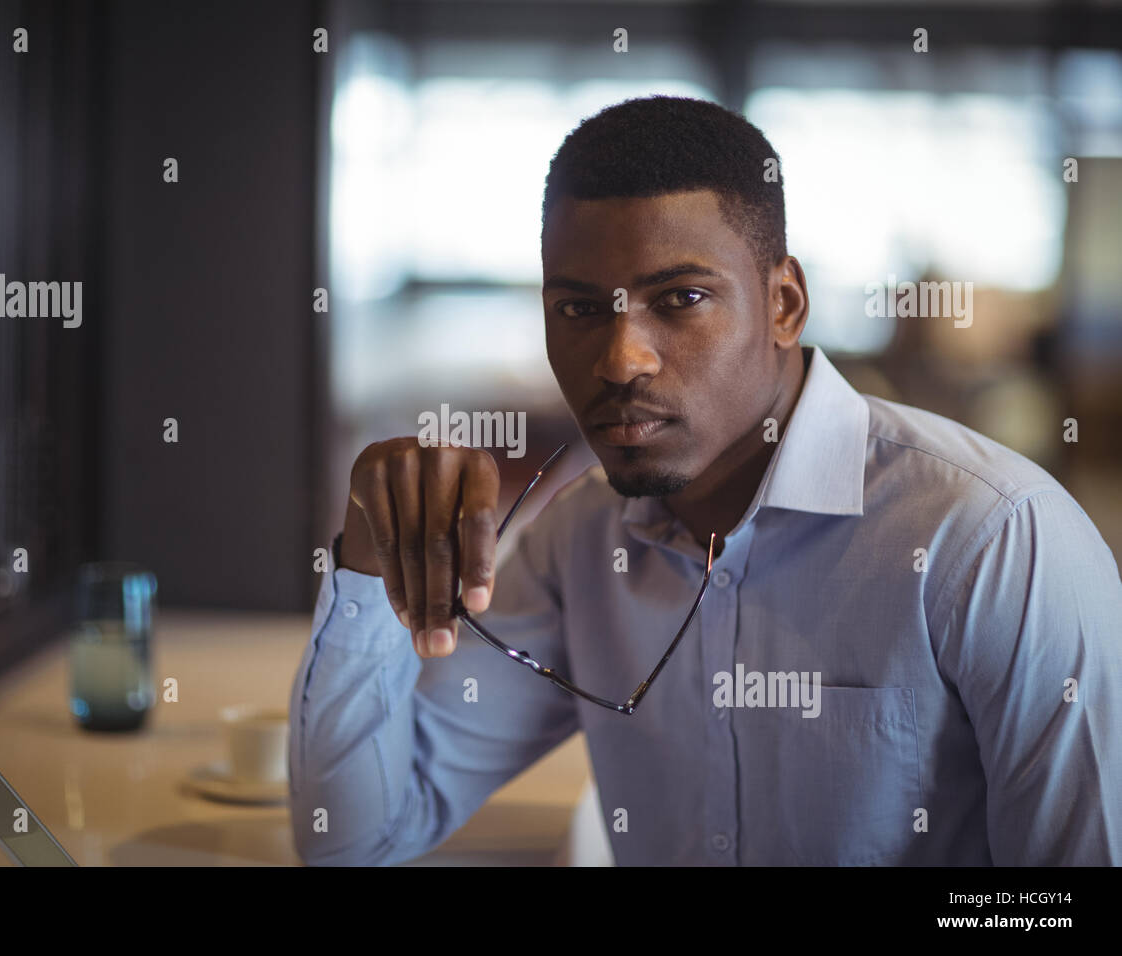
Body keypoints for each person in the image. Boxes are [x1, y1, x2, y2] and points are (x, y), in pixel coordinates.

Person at [288, 95, 1122, 865]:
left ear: (785, 303)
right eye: (579, 310)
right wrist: (367, 557)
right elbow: (357, 836)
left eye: (680, 298)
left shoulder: (992, 541)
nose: (621, 360)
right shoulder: (579, 539)